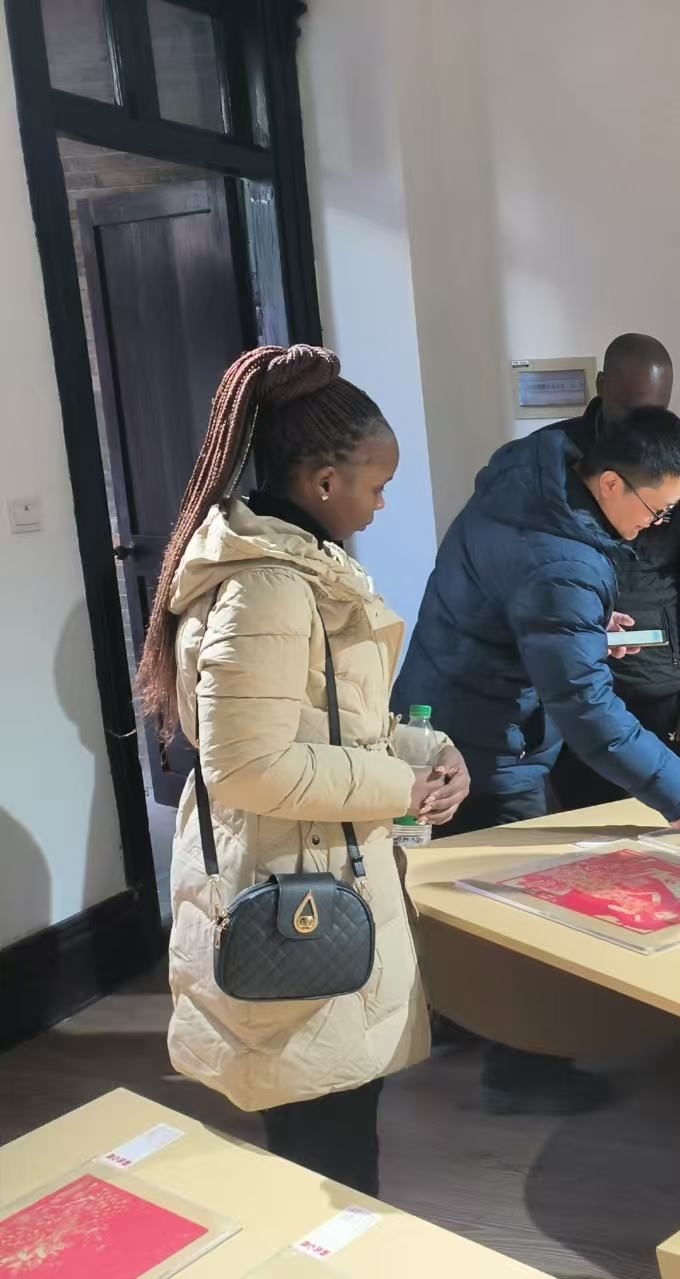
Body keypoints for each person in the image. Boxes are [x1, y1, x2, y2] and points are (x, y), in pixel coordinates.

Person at [137, 345, 470, 1197]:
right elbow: (249, 765)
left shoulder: (301, 566)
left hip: (315, 868)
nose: (383, 501)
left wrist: (430, 754)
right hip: (295, 889)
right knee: (326, 1147)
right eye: (376, 483)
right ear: (324, 481)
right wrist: (399, 788)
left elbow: (335, 722)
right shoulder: (270, 588)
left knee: (337, 1129)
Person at [393, 402, 680, 1112]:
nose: (656, 525)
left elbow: (518, 603)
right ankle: (521, 1069)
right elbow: (585, 706)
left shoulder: (531, 480)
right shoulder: (563, 560)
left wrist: (584, 626)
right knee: (521, 904)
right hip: (488, 740)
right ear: (611, 484)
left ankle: (456, 1018)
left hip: (441, 707)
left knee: (459, 890)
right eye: (656, 510)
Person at [549, 334, 680, 806]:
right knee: (574, 819)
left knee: (658, 814)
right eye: (627, 411)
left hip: (654, 678)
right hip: (567, 669)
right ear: (601, 386)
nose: (639, 430)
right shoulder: (551, 455)